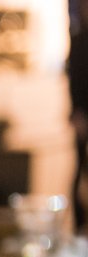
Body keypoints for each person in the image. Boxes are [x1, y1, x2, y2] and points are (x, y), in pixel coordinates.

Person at [68, 0, 88, 231]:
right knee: (79, 170)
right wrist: (76, 112)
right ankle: (79, 224)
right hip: (82, 115)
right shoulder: (79, 41)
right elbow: (74, 81)